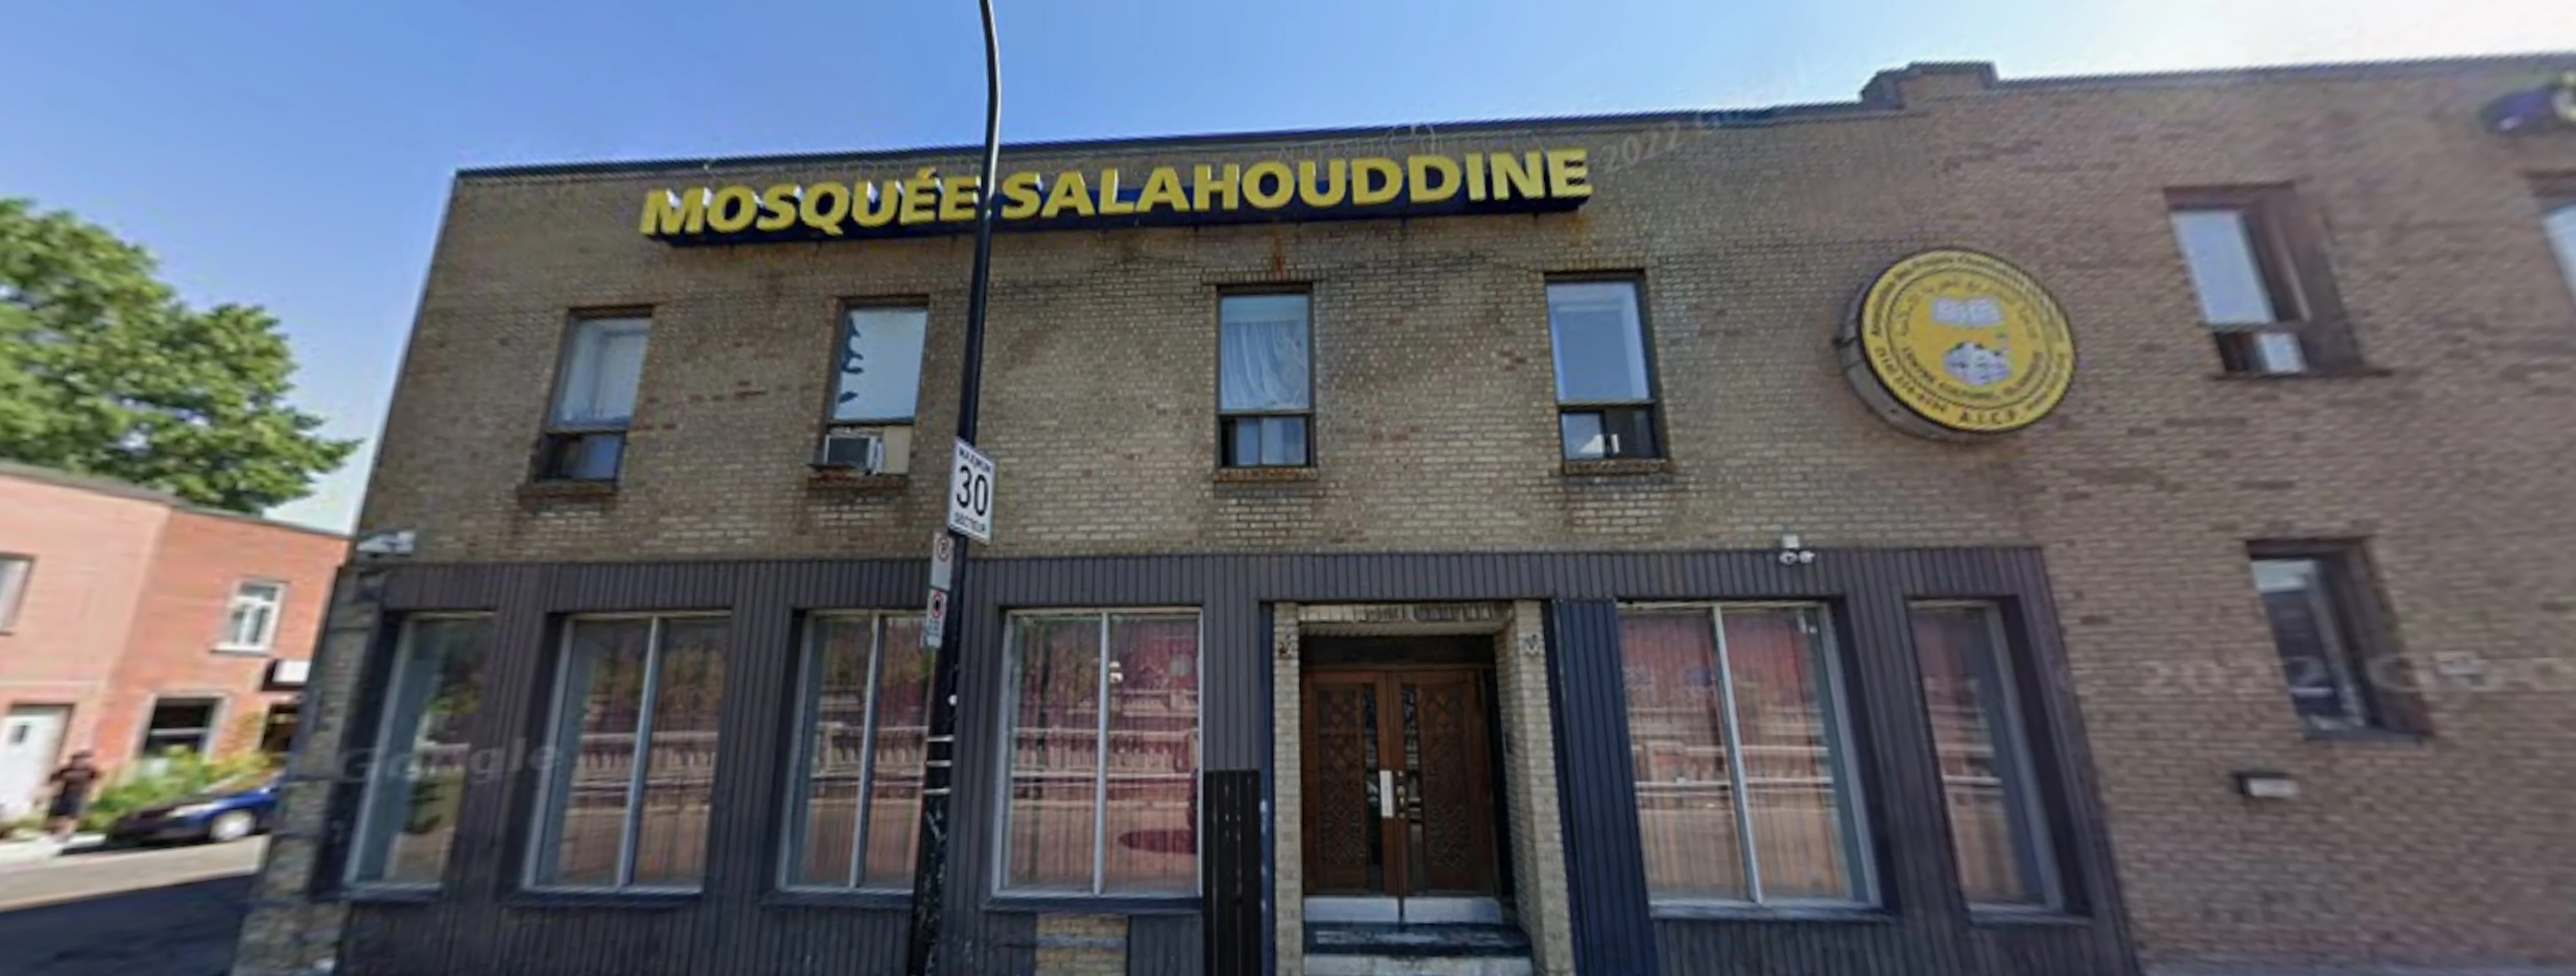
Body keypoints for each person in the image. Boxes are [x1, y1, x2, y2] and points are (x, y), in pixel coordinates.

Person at [45, 751, 101, 843]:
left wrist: (94, 795)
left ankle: (67, 834)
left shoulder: (90, 771)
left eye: (84, 761)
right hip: (64, 795)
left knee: (73, 816)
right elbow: (53, 780)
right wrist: (51, 791)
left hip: (79, 796)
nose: (80, 763)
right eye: (78, 760)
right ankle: (57, 833)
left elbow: (97, 783)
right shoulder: (66, 770)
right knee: (60, 815)